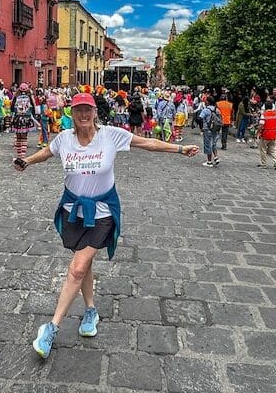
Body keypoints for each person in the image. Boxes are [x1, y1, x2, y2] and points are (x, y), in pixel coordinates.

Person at [13, 92, 199, 359]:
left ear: (95, 112)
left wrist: (180, 149)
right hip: (73, 211)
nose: (84, 114)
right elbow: (47, 152)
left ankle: (51, 327)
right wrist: (27, 161)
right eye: (78, 110)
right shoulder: (64, 139)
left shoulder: (111, 135)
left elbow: (147, 143)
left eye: (88, 109)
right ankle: (90, 311)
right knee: (83, 263)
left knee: (76, 268)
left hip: (102, 213)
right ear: (72, 113)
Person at [11, 83, 37, 158]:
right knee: (24, 137)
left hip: (17, 118)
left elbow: (12, 108)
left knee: (18, 137)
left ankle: (19, 154)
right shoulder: (29, 97)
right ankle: (23, 155)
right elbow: (33, 108)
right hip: (27, 118)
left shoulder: (16, 97)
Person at [257, 101, 276, 170]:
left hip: (265, 134)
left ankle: (263, 164)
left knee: (263, 149)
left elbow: (261, 125)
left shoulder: (264, 114)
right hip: (273, 133)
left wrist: (258, 132)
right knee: (273, 149)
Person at [200, 95, 222, 167]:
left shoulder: (206, 110)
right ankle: (216, 157)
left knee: (207, 144)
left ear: (208, 102)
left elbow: (200, 118)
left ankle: (209, 161)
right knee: (214, 144)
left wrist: (202, 126)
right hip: (215, 129)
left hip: (208, 129)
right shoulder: (217, 110)